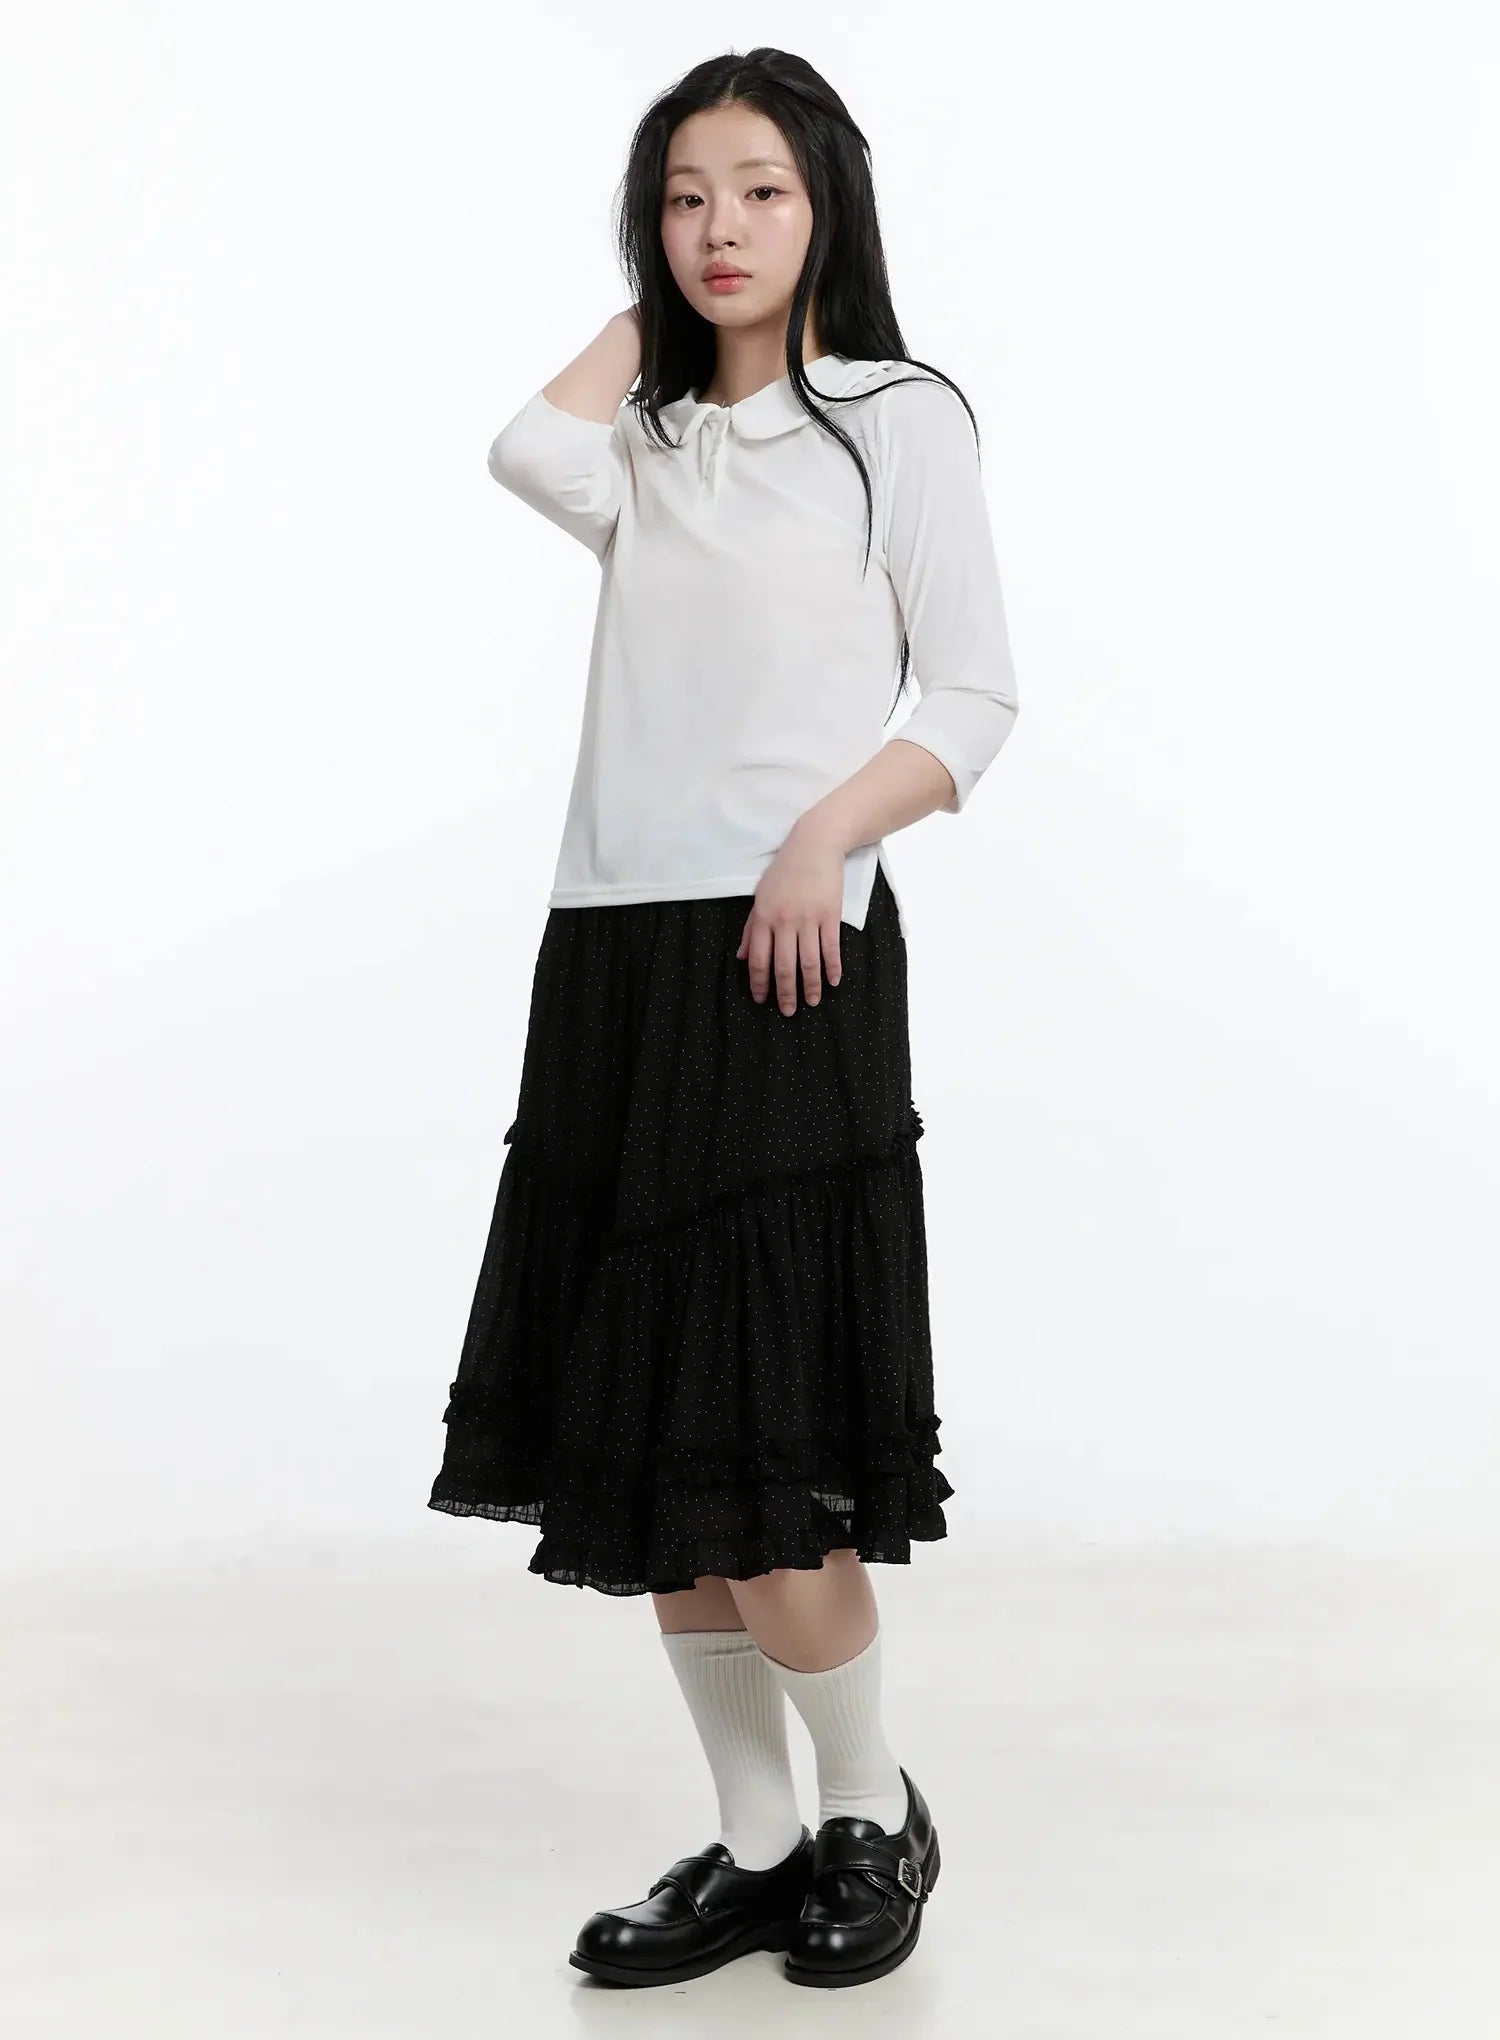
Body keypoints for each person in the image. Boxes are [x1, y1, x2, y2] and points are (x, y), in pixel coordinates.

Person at [428, 45, 1020, 1992]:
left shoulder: (896, 419)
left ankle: (869, 1813)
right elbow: (525, 448)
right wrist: (650, 321)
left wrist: (820, 840)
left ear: (828, 199)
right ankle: (759, 1846)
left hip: (790, 954)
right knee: (655, 1453)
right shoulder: (657, 447)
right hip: (614, 954)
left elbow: (972, 699)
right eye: (684, 197)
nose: (720, 229)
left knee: (766, 1455)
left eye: (761, 189)